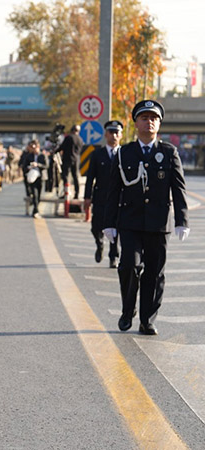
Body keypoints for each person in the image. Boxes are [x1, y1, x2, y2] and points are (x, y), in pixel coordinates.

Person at [103, 100, 189, 336]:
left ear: (159, 124)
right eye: (144, 117)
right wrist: (108, 223)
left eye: (154, 118)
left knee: (154, 272)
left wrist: (182, 220)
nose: (149, 121)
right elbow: (114, 190)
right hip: (129, 222)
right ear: (136, 123)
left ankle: (147, 320)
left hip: (158, 224)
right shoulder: (124, 154)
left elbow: (178, 189)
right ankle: (127, 310)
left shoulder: (169, 152)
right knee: (128, 266)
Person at [84, 120, 123, 267]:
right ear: (106, 134)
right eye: (111, 132)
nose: (114, 135)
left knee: (116, 229)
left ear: (121, 135)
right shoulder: (97, 155)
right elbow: (90, 178)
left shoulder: (124, 154)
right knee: (96, 227)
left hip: (119, 199)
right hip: (100, 198)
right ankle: (99, 243)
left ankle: (113, 256)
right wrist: (87, 197)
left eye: (116, 133)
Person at [19, 139, 47, 218]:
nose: (34, 149)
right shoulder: (29, 156)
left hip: (40, 177)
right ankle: (36, 211)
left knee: (39, 195)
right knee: (35, 194)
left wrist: (38, 165)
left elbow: (46, 166)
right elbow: (24, 166)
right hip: (32, 177)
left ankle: (35, 209)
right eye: (32, 148)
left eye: (35, 148)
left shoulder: (42, 156)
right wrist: (29, 167)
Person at [58, 124, 83, 199]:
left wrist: (55, 151)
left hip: (67, 159)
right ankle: (77, 194)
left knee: (65, 176)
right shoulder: (80, 139)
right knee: (75, 177)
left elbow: (62, 147)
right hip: (76, 160)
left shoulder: (68, 137)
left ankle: (66, 192)